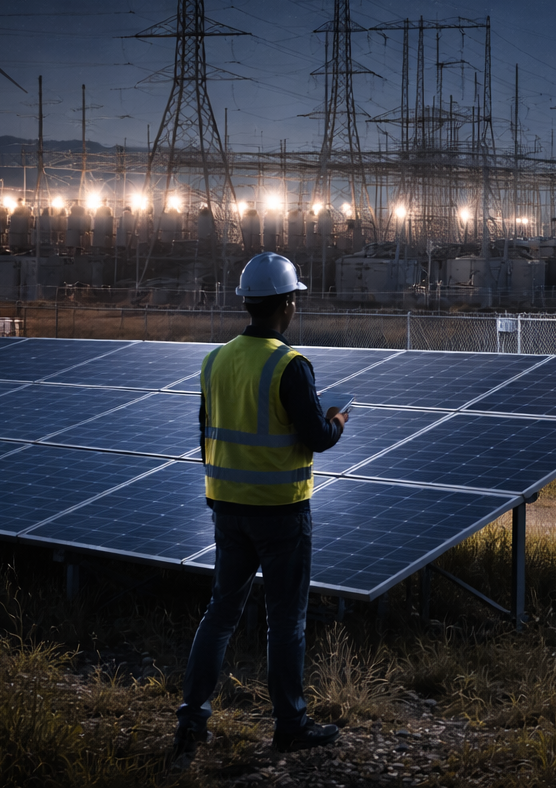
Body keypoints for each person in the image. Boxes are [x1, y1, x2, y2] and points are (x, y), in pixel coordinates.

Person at [172, 252, 350, 769]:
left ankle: (191, 721)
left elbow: (207, 435)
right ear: (288, 305)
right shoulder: (290, 365)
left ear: (248, 303)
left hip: (227, 510)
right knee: (286, 620)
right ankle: (291, 726)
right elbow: (316, 438)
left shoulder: (215, 360)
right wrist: (337, 420)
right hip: (281, 512)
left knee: (220, 613)